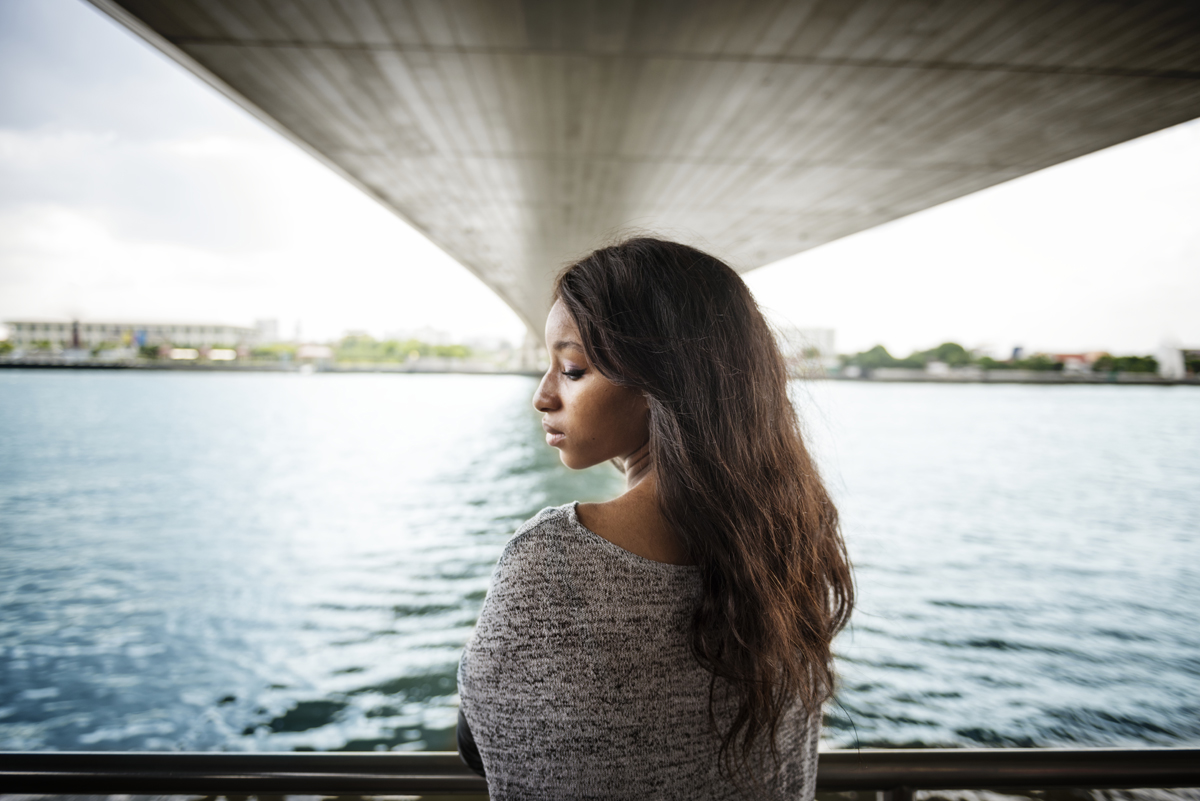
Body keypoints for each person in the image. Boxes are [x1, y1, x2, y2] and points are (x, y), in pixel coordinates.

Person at [457, 237, 854, 800]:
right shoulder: (792, 541)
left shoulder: (555, 559)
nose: (542, 396)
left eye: (571, 370)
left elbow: (480, 743)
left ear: (658, 382)